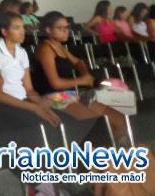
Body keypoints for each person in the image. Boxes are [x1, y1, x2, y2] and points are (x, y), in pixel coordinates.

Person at [34, 11, 126, 141]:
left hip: (69, 95)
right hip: (52, 97)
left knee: (118, 119)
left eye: (67, 28)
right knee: (97, 124)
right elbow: (55, 83)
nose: (65, 31)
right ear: (48, 30)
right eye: (60, 28)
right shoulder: (45, 49)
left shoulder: (59, 47)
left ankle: (119, 150)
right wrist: (82, 80)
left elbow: (78, 62)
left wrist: (85, 73)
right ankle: (99, 154)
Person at [0, 12, 60, 126]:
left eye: (23, 27)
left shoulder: (22, 52)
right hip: (6, 105)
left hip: (24, 101)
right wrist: (34, 108)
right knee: (38, 124)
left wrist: (43, 105)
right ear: (4, 32)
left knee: (55, 117)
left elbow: (29, 89)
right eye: (16, 28)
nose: (22, 32)